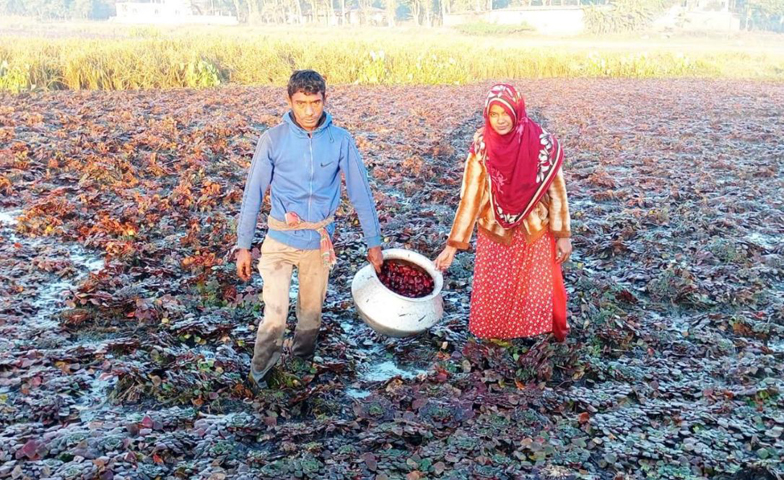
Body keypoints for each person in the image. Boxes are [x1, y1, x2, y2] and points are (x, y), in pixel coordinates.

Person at [235, 70, 384, 390]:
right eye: (301, 103)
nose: (308, 111)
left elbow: (361, 192)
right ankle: (259, 377)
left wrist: (374, 243)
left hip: (318, 241)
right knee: (275, 315)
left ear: (324, 100)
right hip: (279, 240)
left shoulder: (340, 140)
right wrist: (243, 245)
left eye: (315, 102)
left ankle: (300, 367)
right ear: (289, 101)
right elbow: (253, 194)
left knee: (311, 317)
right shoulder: (273, 139)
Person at [434, 84, 572, 341]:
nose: (500, 120)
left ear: (517, 111)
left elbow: (557, 191)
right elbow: (471, 196)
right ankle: (498, 339)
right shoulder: (482, 145)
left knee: (532, 290)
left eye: (505, 113)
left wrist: (563, 235)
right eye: (494, 114)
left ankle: (530, 340)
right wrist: (452, 246)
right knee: (496, 290)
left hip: (533, 229)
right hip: (495, 228)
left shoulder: (543, 144)